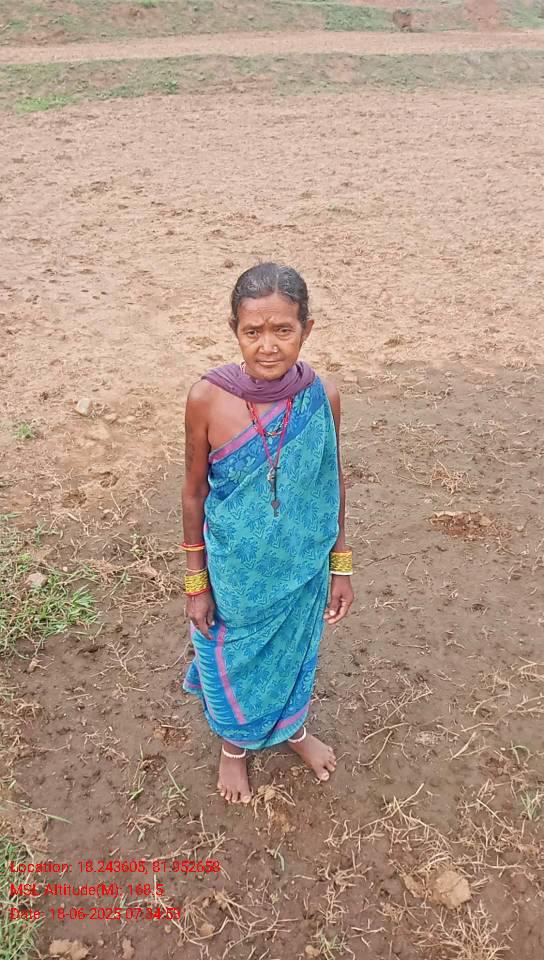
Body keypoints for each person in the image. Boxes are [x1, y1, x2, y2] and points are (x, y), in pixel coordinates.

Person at [181, 262, 354, 804]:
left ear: (307, 328)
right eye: (252, 331)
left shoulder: (322, 396)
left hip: (303, 564)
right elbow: (193, 493)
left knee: (295, 651)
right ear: (234, 330)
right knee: (233, 655)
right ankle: (234, 747)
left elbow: (330, 482)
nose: (268, 345)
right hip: (235, 569)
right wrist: (196, 582)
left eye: (284, 329)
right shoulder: (208, 399)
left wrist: (340, 565)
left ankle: (293, 730)